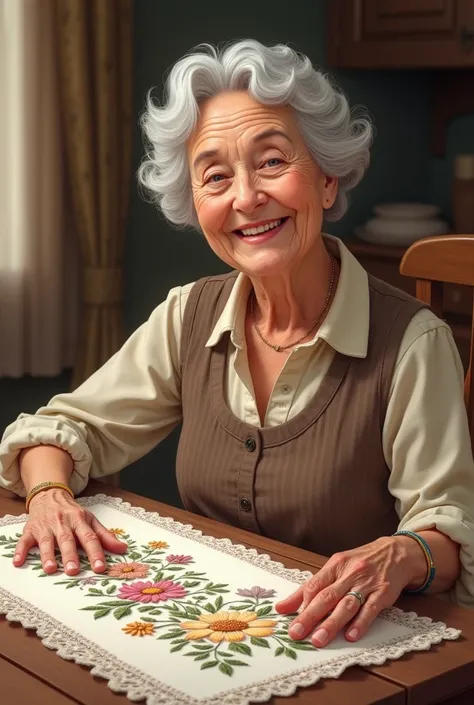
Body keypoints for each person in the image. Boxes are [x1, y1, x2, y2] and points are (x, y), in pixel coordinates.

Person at [1, 39, 474, 650]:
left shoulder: (413, 341)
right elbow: (61, 431)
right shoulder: (187, 315)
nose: (246, 198)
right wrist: (50, 496)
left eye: (273, 161)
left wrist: (402, 552)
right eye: (216, 175)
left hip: (352, 650)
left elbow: (450, 534)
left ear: (328, 179)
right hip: (210, 636)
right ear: (195, 202)